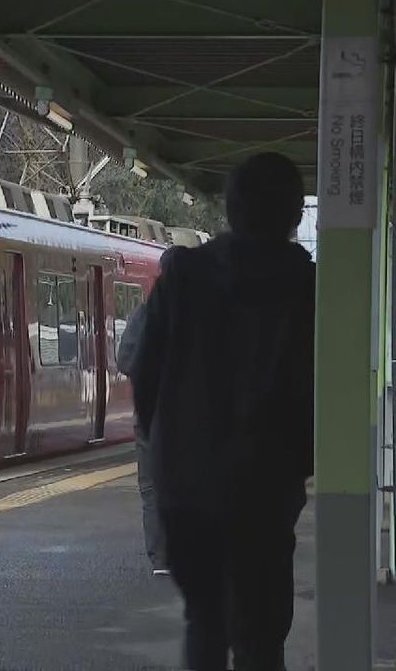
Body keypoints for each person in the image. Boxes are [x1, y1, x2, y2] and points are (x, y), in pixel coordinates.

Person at [126, 151, 314, 671]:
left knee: (204, 621)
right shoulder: (306, 287)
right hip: (268, 485)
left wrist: (164, 441)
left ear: (229, 209)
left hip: (188, 485)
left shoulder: (184, 276)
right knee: (260, 631)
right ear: (295, 215)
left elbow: (144, 367)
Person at [115, 254, 173, 578]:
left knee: (152, 488)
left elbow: (124, 360)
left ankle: (161, 559)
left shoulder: (145, 314)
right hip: (193, 420)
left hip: (151, 418)